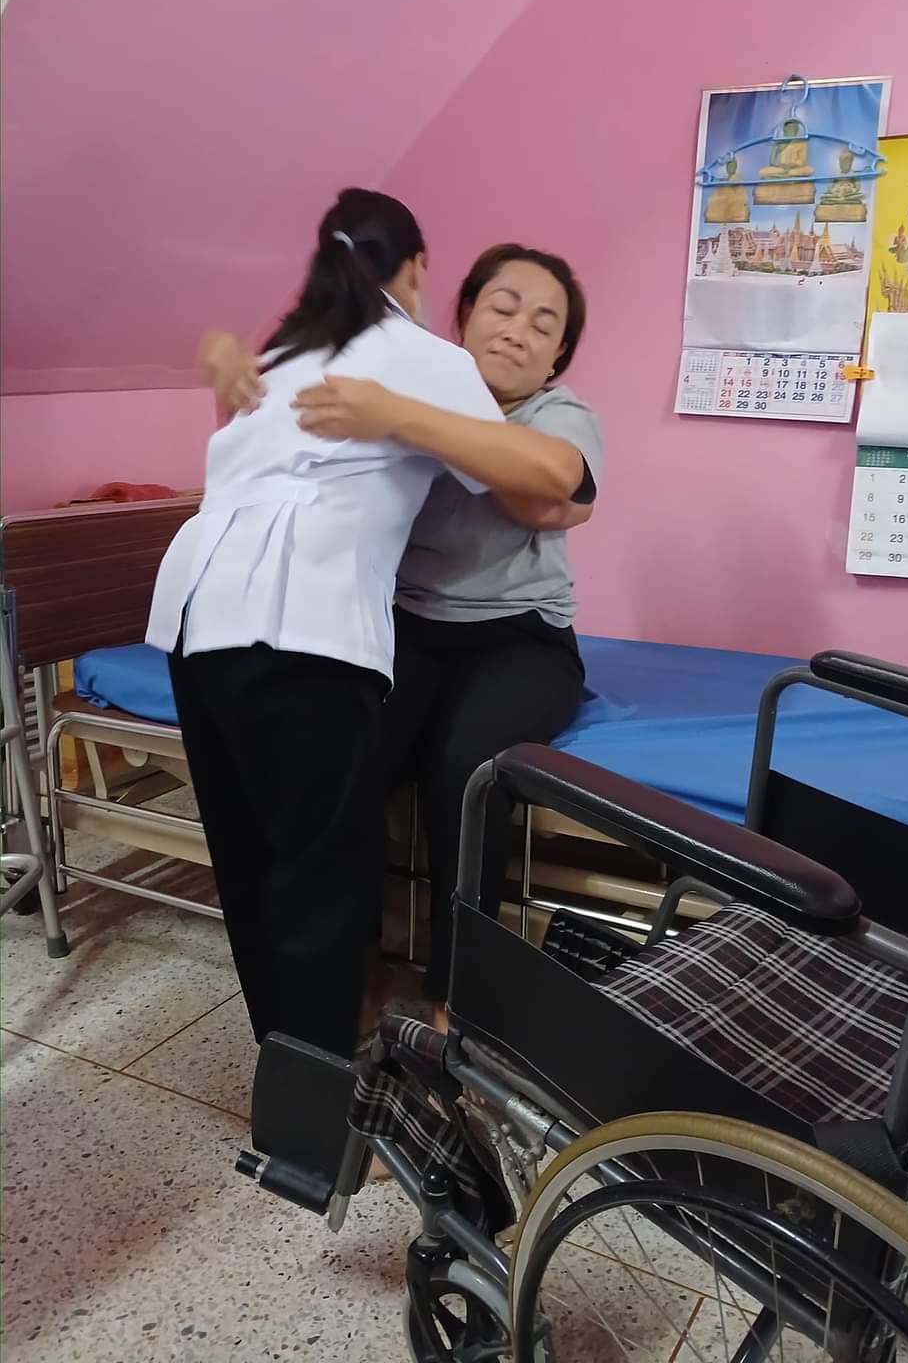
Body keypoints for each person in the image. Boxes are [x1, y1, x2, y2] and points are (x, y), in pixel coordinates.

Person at [148, 193, 589, 1057]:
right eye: (504, 307)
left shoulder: (300, 352)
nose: (518, 332)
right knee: (318, 867)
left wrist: (247, 364)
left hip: (207, 613)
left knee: (272, 851)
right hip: (317, 624)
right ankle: (320, 1087)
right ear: (436, 287)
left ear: (559, 355)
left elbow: (555, 489)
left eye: (545, 324)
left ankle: (375, 1023)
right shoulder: (424, 362)